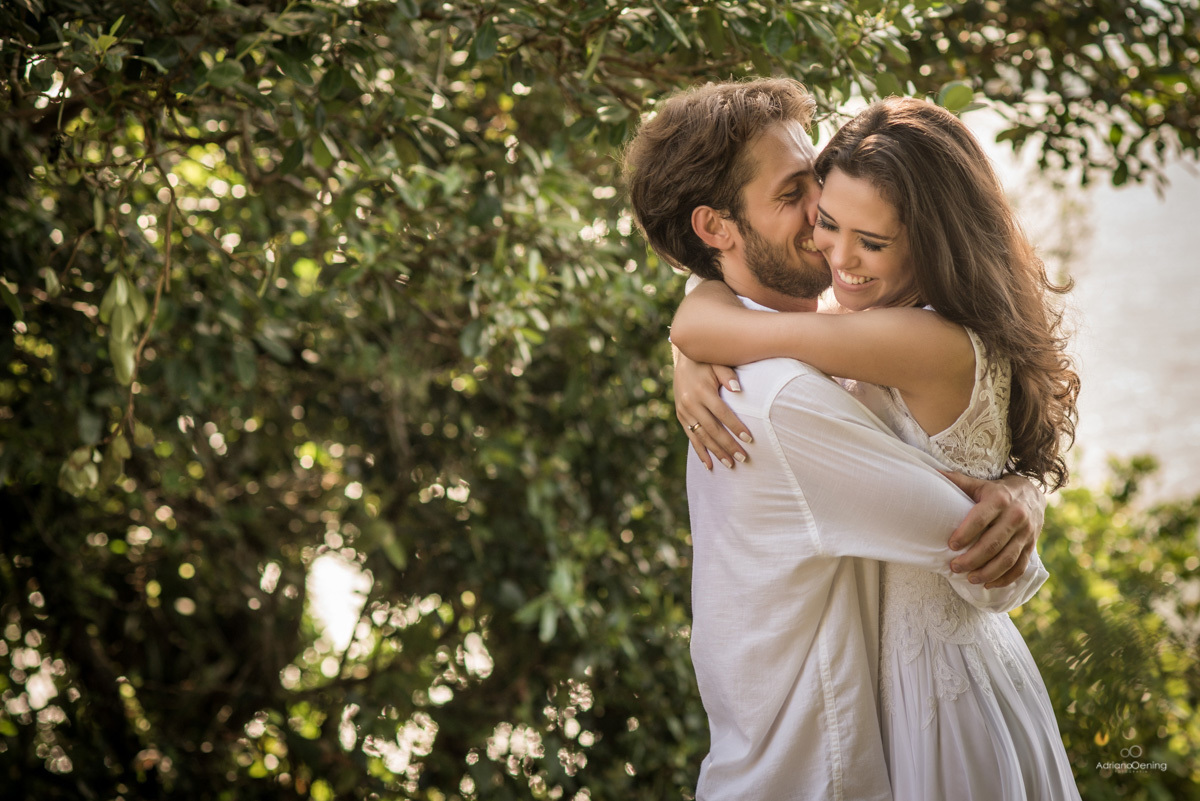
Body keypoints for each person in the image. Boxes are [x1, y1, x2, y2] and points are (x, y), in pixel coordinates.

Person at [623, 78, 1053, 800]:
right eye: (800, 198)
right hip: (827, 753)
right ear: (715, 227)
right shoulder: (782, 394)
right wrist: (689, 336)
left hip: (926, 706)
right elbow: (965, 530)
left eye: (814, 185)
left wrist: (1022, 490)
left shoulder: (844, 334)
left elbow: (986, 550)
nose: (827, 228)